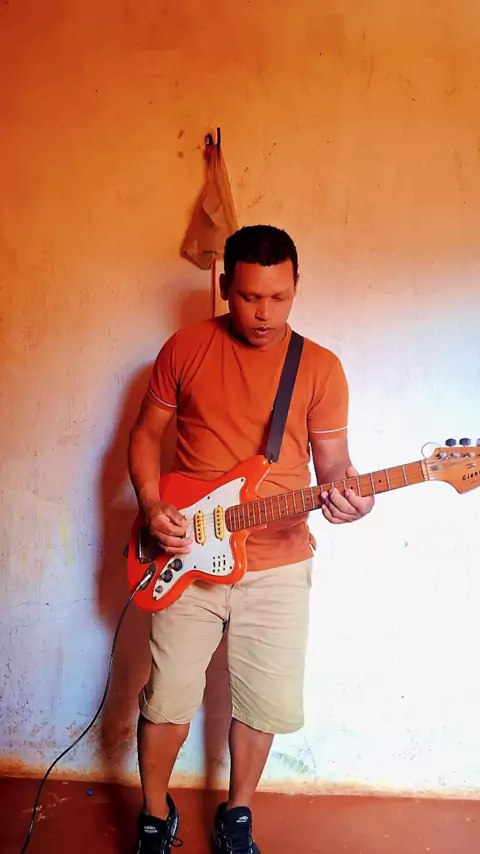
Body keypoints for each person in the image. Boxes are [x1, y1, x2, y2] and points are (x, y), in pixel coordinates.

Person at [128, 224, 374, 854]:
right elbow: (144, 434)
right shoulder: (185, 348)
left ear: (296, 287)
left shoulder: (319, 367)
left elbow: (335, 467)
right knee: (166, 699)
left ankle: (237, 815)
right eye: (249, 297)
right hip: (187, 555)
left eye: (279, 298)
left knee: (263, 704)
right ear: (223, 286)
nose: (264, 313)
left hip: (279, 562)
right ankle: (154, 815)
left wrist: (352, 498)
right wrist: (152, 505)